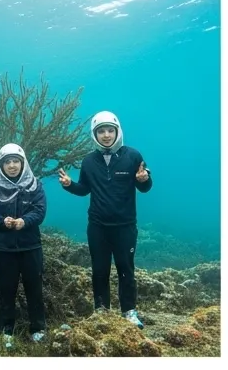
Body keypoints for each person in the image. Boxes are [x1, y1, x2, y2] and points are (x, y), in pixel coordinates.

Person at [58, 111, 153, 327]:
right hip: (98, 227)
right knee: (99, 269)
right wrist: (69, 185)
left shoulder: (133, 156)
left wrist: (144, 179)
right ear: (95, 134)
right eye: (101, 131)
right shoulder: (89, 161)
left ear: (118, 132)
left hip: (125, 226)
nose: (107, 135)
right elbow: (84, 189)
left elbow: (145, 187)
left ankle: (129, 311)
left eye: (110, 130)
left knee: (125, 269)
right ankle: (101, 311)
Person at [0, 143, 47, 348]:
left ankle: (38, 329)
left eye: (16, 161)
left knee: (35, 290)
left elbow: (39, 211)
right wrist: (3, 222)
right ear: (1, 165)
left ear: (23, 163)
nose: (12, 166)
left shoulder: (35, 185)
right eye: (7, 162)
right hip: (5, 250)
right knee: (6, 291)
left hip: (31, 247)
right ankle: (6, 332)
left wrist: (25, 221)